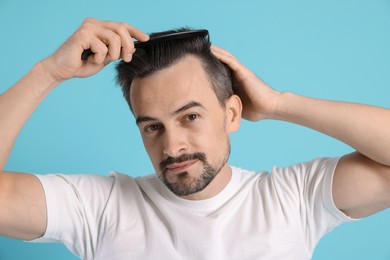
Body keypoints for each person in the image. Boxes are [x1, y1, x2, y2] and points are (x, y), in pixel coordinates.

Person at [0, 17, 389, 259]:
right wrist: (49, 71)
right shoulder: (100, 208)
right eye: (152, 126)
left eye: (190, 116)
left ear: (232, 113)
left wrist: (278, 104)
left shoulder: (294, 198)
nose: (172, 147)